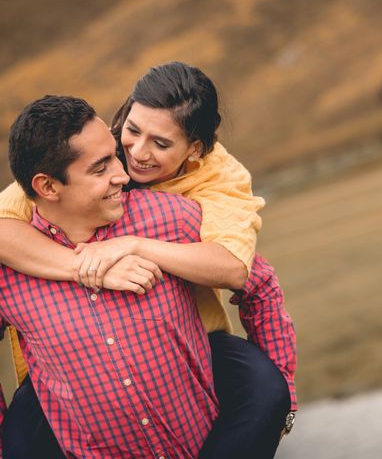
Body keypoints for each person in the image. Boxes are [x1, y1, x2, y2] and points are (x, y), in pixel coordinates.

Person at [0, 63, 296, 458]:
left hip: (197, 344)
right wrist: (81, 267)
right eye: (132, 134)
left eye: (161, 143)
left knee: (264, 391)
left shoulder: (207, 190)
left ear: (193, 150)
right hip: (59, 383)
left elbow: (237, 269)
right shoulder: (54, 174)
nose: (134, 157)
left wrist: (134, 245)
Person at [0, 95, 219, 457]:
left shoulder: (171, 219)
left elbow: (255, 282)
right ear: (48, 187)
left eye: (114, 155)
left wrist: (275, 397)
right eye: (100, 168)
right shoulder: (9, 274)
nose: (123, 174)